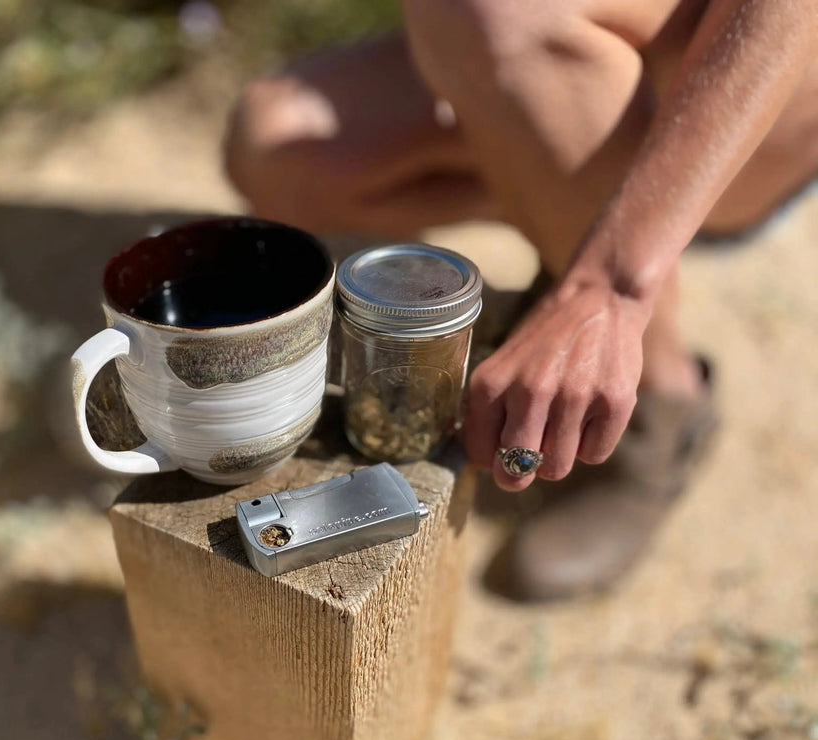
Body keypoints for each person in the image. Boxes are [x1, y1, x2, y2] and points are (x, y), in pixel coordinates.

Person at [221, 0, 818, 600]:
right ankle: (562, 209)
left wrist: (608, 286)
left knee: (496, 12)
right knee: (278, 145)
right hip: (561, 40)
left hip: (755, 79)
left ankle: (660, 406)